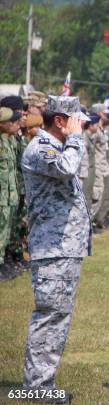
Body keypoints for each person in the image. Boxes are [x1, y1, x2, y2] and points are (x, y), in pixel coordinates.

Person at [20, 95, 92, 404]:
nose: (81, 127)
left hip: (63, 248)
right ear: (60, 121)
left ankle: (43, 382)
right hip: (52, 248)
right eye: (76, 121)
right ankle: (37, 385)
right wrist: (75, 140)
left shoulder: (59, 146)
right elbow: (66, 168)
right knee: (49, 315)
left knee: (58, 315)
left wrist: (74, 139)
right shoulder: (41, 149)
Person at [0, 107, 21, 278]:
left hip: (7, 197)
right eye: (8, 121)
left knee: (5, 232)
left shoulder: (7, 142)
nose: (12, 124)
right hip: (1, 198)